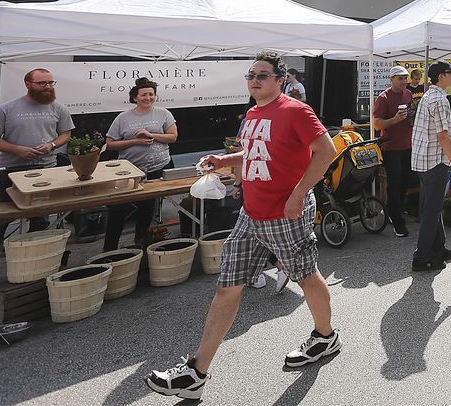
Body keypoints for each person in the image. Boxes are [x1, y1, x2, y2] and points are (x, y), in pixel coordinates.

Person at [145, 51, 340, 399]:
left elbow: (327, 151)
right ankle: (196, 374)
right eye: (251, 75)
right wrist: (224, 160)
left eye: (262, 75)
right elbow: (255, 153)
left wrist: (298, 194)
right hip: (251, 214)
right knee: (227, 287)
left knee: (307, 276)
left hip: (285, 214)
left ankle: (325, 337)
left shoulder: (296, 110)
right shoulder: (252, 114)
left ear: (280, 80)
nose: (255, 81)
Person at [0, 68, 74, 276]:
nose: (48, 87)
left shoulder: (59, 108)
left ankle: (35, 268)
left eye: (51, 83)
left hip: (46, 170)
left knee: (41, 219)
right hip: (11, 172)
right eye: (42, 83)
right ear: (28, 84)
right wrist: (17, 150)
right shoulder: (7, 109)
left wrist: (52, 145)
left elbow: (66, 134)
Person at [103, 77, 178, 251]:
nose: (148, 98)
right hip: (129, 170)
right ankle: (109, 248)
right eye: (144, 94)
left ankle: (142, 244)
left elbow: (173, 137)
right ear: (134, 97)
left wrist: (151, 135)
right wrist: (135, 141)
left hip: (157, 167)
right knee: (119, 207)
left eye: (151, 94)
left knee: (147, 206)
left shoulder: (163, 113)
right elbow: (110, 143)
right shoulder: (123, 118)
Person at [410, 61, 451, 272]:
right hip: (434, 162)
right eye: (450, 73)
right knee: (431, 212)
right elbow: (443, 136)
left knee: (432, 208)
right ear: (441, 77)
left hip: (423, 160)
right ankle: (421, 258)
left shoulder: (428, 95)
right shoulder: (440, 100)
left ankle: (438, 249)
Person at [371, 66, 413, 238]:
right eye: (400, 78)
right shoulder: (383, 98)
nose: (404, 81)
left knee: (406, 182)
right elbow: (376, 124)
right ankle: (397, 221)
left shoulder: (408, 94)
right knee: (395, 184)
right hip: (391, 147)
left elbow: (410, 115)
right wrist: (395, 119)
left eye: (405, 78)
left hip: (408, 145)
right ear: (392, 79)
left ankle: (395, 209)